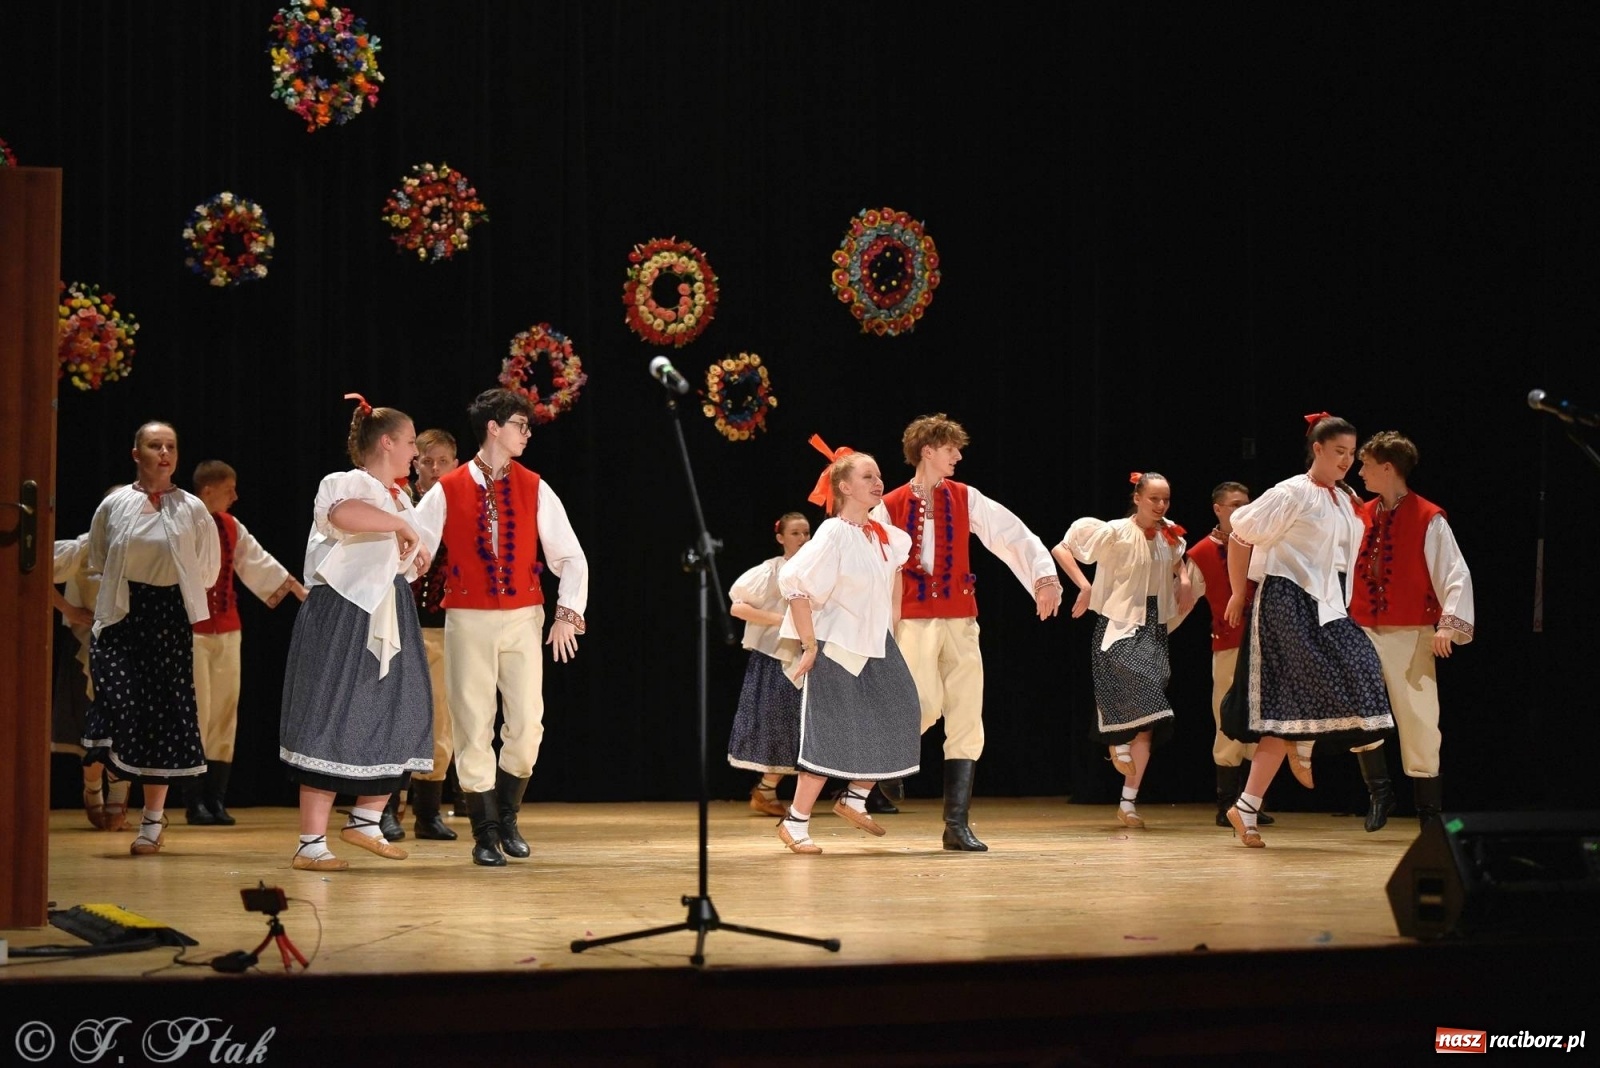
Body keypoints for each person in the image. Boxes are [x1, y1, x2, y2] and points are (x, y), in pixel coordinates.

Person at [414, 389, 589, 867]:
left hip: (522, 616)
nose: (527, 433)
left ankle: (507, 815)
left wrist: (566, 614)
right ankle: (485, 831)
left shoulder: (535, 485)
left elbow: (571, 557)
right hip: (467, 618)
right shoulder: (447, 488)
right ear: (493, 427)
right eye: (520, 424)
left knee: (528, 725)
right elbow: (413, 550)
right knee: (473, 724)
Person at [872, 413, 1062, 852]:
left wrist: (1043, 578)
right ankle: (884, 765)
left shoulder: (965, 497)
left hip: (961, 617)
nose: (958, 456)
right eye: (950, 448)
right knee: (919, 704)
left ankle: (955, 824)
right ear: (928, 451)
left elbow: (1011, 534)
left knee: (966, 713)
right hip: (912, 619)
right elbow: (876, 570)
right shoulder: (892, 504)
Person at [1220, 413, 1396, 847]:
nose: (1346, 461)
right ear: (1317, 449)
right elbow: (1240, 535)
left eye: (1351, 455)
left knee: (1351, 677)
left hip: (1330, 601)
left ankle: (1246, 805)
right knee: (1298, 702)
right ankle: (1291, 758)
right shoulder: (1291, 492)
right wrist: (1238, 593)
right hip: (1288, 597)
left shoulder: (1343, 498)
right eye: (1339, 452)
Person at [278, 395, 434, 872]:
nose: (414, 452)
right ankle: (310, 843)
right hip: (343, 611)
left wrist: (413, 554)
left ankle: (366, 821)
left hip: (388, 607)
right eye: (409, 442)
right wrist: (400, 530)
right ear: (386, 442)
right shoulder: (348, 481)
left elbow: (390, 550)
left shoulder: (400, 497)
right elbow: (345, 516)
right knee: (332, 711)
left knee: (402, 708)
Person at [773, 437, 921, 854]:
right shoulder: (834, 533)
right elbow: (796, 586)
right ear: (845, 488)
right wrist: (808, 646)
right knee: (830, 733)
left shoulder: (887, 537)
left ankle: (855, 798)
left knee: (902, 711)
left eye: (878, 475)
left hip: (877, 644)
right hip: (837, 646)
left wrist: (892, 630)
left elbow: (894, 588)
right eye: (867, 476)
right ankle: (796, 823)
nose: (878, 482)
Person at [83, 422, 221, 856]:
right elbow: (99, 557)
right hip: (124, 613)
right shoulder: (116, 504)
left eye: (171, 446)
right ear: (136, 453)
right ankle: (107, 780)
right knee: (115, 703)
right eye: (154, 445)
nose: (164, 453)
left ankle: (152, 822)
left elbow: (208, 567)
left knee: (161, 717)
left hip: (168, 617)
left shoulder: (192, 508)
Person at [1053, 472, 1194, 830]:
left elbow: (1178, 561)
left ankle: (1128, 803)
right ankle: (1116, 737)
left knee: (1150, 714)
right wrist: (1084, 586)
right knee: (1139, 684)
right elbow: (1063, 548)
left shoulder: (1169, 534)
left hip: (1155, 623)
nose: (1160, 506)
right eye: (1153, 500)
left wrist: (1186, 579)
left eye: (1165, 500)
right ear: (1137, 498)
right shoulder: (1114, 531)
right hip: (1118, 623)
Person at [1348, 431, 1474, 829]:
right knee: (1361, 712)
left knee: (1418, 716)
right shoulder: (1360, 514)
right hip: (1363, 627)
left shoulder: (1427, 517)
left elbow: (1455, 574)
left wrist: (1447, 625)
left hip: (1412, 628)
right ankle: (1380, 793)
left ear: (1388, 468)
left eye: (1367, 463)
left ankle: (1428, 814)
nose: (1361, 470)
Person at [187, 460, 307, 826]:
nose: (235, 496)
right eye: (229, 489)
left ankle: (215, 799)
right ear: (208, 490)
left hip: (228, 629)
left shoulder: (230, 525)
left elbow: (257, 560)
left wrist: (300, 591)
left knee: (225, 713)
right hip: (192, 631)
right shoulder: (182, 524)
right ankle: (194, 802)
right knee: (199, 713)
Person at [1183, 481, 1274, 828]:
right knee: (1227, 718)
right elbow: (1183, 605)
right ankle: (1226, 804)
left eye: (1246, 504)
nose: (1242, 510)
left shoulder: (1262, 543)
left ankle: (1251, 803)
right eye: (1235, 505)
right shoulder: (1203, 552)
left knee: (1263, 720)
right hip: (1229, 644)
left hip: (1264, 644)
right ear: (1218, 509)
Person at [391, 427, 462, 842]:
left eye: (442, 462)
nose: (434, 469)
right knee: (395, 714)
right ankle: (384, 808)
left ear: (455, 464)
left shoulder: (462, 504)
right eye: (426, 460)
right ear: (414, 461)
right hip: (399, 622)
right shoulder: (400, 502)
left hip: (444, 626)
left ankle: (428, 812)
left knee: (440, 720)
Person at [727, 511, 812, 816]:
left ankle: (772, 791)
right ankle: (766, 791)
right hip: (778, 657)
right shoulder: (771, 571)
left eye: (806, 533)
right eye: (795, 534)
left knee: (803, 727)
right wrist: (782, 620)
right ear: (780, 538)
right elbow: (738, 606)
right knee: (778, 724)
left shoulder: (816, 571)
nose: (803, 539)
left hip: (809, 656)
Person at [50, 525, 129, 830]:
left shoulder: (142, 550)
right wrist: (68, 608)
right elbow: (36, 568)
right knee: (91, 725)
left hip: (126, 648)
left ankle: (119, 791)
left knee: (123, 726)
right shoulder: (82, 547)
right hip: (87, 647)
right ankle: (92, 786)